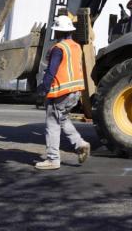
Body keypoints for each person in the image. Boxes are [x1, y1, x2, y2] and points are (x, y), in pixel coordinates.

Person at [34, 13, 91, 170]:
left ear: (58, 32)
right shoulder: (76, 46)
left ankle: (53, 159)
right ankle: (80, 144)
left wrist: (42, 90)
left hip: (61, 92)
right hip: (75, 91)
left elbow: (51, 71)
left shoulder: (58, 48)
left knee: (52, 123)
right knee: (62, 118)